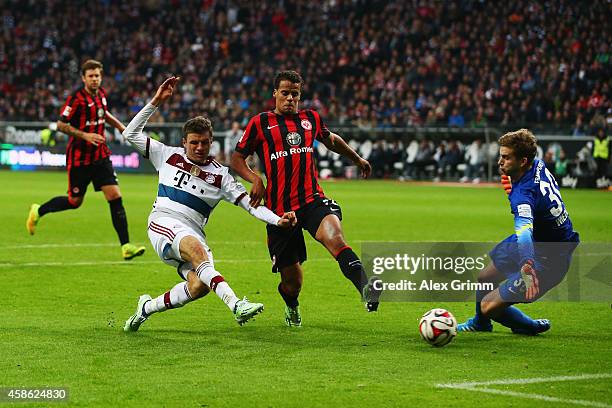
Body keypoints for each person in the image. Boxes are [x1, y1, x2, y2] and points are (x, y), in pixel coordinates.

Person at [122, 77, 297, 331]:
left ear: (211, 141)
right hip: (163, 222)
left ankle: (146, 308)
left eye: (204, 142)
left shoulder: (221, 176)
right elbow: (130, 133)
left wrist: (277, 219)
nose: (200, 147)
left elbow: (250, 204)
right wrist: (156, 102)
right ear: (184, 142)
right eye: (194, 142)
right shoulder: (167, 155)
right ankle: (236, 304)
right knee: (197, 251)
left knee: (199, 286)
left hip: (193, 232)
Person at [230, 70, 376, 327]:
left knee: (335, 237)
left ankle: (366, 287)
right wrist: (255, 178)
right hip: (279, 212)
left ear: (300, 95)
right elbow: (237, 159)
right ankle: (291, 305)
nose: (289, 98)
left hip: (312, 200)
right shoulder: (260, 123)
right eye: (284, 93)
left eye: (294, 94)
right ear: (275, 93)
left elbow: (332, 140)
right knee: (292, 283)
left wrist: (358, 159)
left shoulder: (311, 119)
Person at [458, 129, 579, 335]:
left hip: (549, 257)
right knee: (485, 277)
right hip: (543, 238)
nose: (500, 161)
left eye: (506, 157)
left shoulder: (523, 196)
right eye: (501, 155)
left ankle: (528, 326)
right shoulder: (538, 164)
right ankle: (480, 324)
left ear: (523, 161)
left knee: (488, 306)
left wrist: (527, 264)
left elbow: (524, 232)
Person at [25, 59, 145, 260]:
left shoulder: (101, 95)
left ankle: (126, 246)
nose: (94, 79)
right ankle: (39, 210)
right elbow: (61, 124)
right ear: (83, 78)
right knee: (74, 201)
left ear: (101, 76)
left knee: (115, 196)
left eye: (97, 75)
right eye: (90, 76)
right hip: (80, 158)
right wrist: (85, 135)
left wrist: (120, 126)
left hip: (101, 156)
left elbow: (103, 113)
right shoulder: (76, 99)